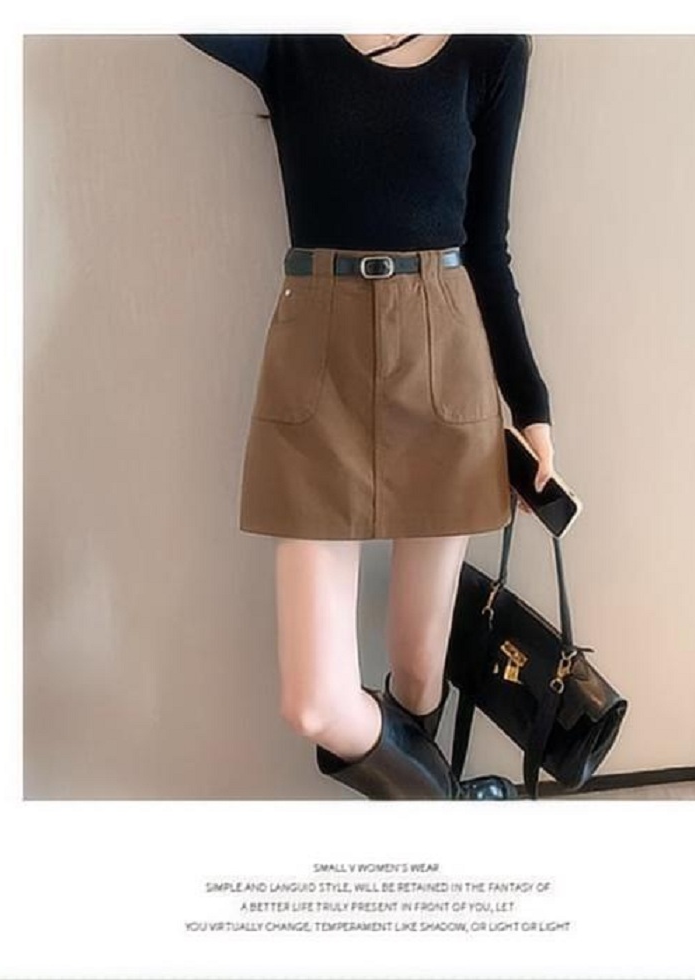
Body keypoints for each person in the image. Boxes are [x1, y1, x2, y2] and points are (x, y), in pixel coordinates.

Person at [179, 32, 557, 800]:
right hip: (317, 357)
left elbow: (488, 247)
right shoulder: (289, 43)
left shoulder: (490, 50)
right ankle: (456, 807)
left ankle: (421, 851)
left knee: (418, 675)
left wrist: (533, 407)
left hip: (444, 350)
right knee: (314, 703)